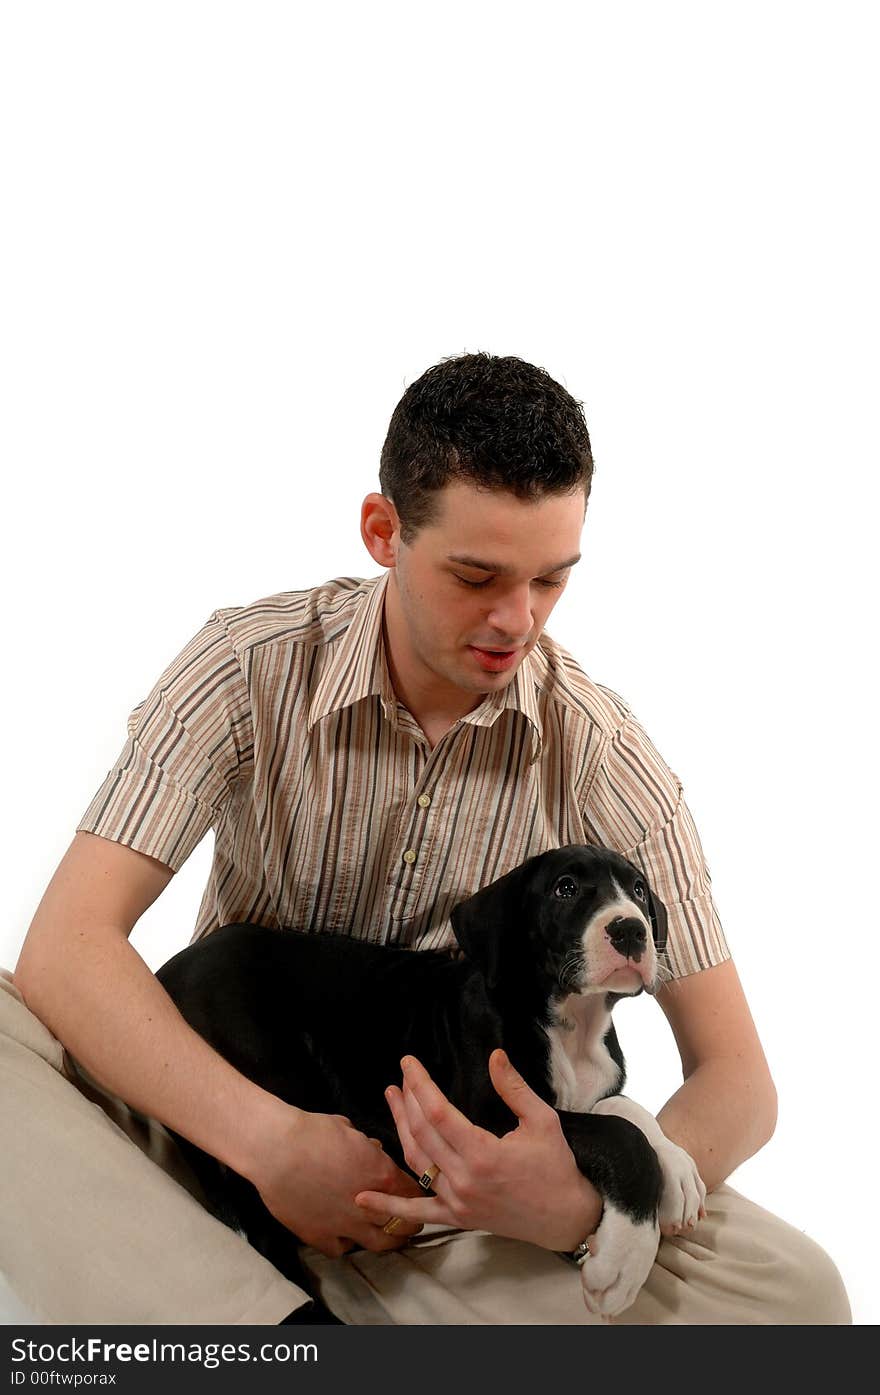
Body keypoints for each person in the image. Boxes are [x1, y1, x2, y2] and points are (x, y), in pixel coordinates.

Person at [3, 354, 850, 1325]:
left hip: (463, 1193)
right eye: (476, 576)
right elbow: (66, 948)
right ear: (383, 532)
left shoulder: (605, 755)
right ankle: (282, 1319)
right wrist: (273, 1145)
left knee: (802, 1291)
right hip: (211, 1122)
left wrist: (576, 1200)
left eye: (549, 581)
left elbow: (736, 1078)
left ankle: (280, 1286)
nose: (515, 621)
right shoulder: (245, 668)